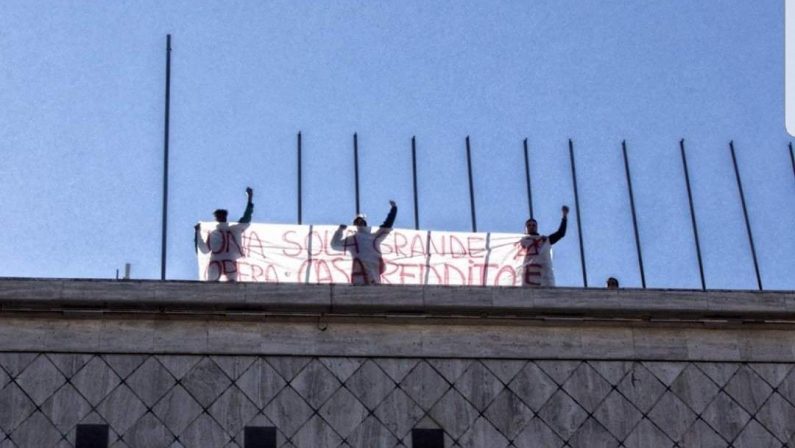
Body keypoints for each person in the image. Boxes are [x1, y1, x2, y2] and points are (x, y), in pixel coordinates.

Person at [195, 187, 254, 281]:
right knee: (231, 287)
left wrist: (197, 233)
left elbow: (203, 249)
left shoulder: (217, 233)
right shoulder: (234, 230)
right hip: (228, 263)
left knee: (212, 288)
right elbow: (246, 220)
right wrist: (250, 199)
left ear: (215, 219)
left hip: (216, 263)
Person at [331, 200, 397, 285]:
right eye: (357, 222)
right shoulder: (353, 239)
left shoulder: (374, 237)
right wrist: (339, 231)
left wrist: (393, 209)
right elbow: (335, 245)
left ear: (365, 223)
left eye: (361, 221)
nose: (359, 224)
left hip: (374, 276)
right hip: (359, 277)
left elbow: (387, 226)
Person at [518, 205, 569, 286]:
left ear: (537, 227)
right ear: (525, 228)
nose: (531, 227)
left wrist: (564, 216)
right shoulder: (521, 241)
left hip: (543, 276)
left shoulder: (544, 241)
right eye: (529, 225)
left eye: (533, 225)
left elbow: (560, 233)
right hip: (527, 277)